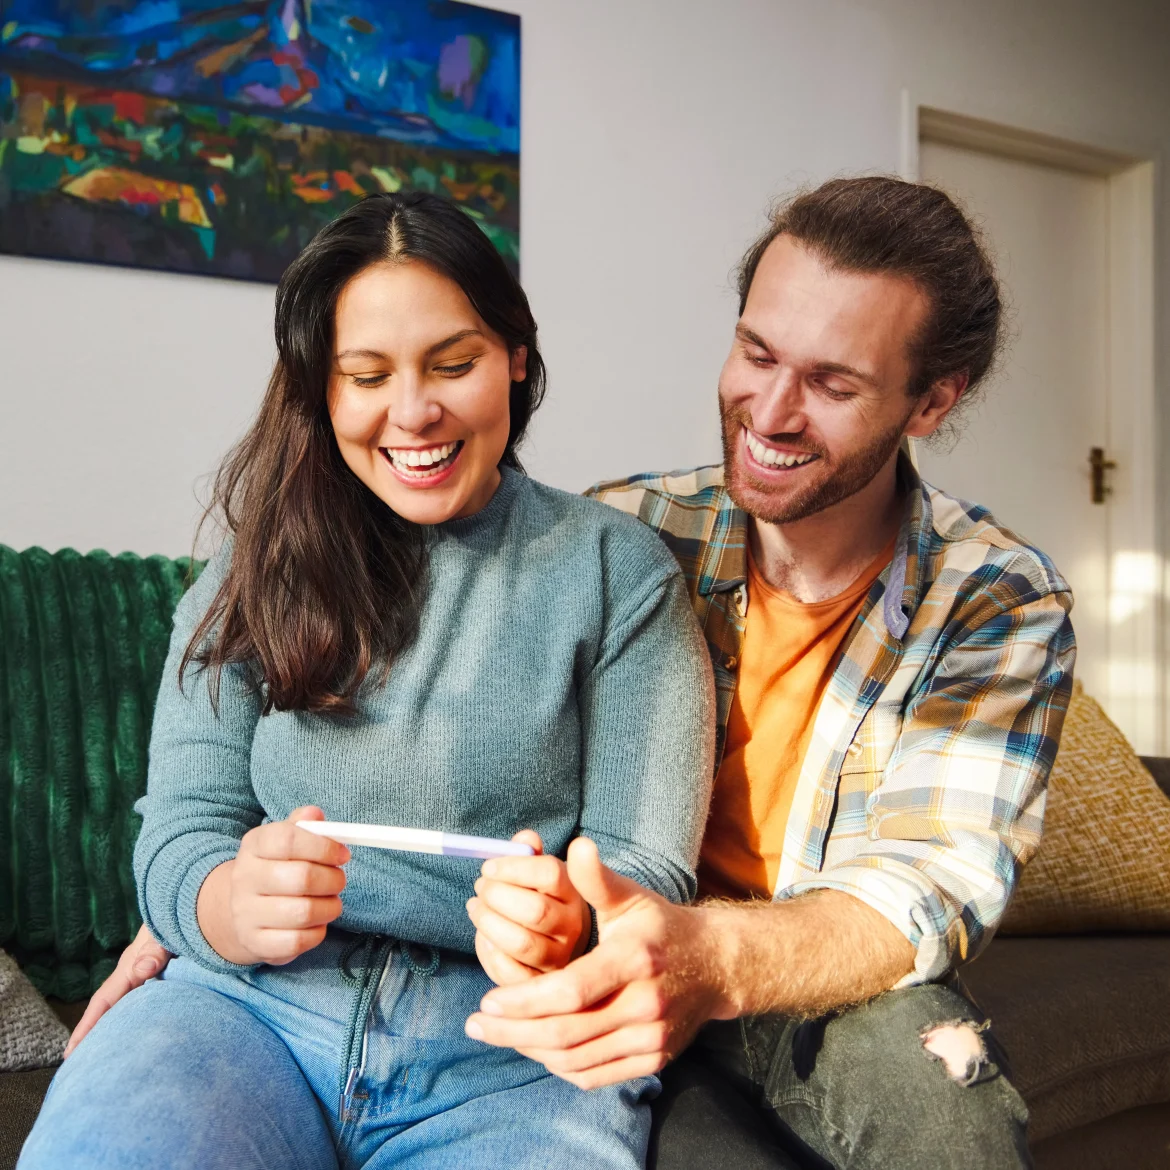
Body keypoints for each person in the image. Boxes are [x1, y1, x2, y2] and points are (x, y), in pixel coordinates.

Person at [70, 176, 1075, 1169]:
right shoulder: (649, 521)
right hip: (373, 1000)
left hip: (753, 978)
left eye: (833, 383)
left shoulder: (988, 599)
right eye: (756, 353)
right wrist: (200, 906)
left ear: (932, 400)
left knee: (945, 1112)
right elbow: (188, 830)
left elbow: (920, 892)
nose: (769, 410)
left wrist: (620, 940)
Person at [20, 191, 715, 1170]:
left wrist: (572, 927)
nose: (413, 410)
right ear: (322, 389)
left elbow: (647, 876)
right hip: (245, 1013)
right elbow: (181, 832)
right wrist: (226, 904)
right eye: (366, 375)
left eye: (454, 362)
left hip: (514, 1048)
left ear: (516, 353)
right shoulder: (249, 570)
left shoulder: (615, 572)